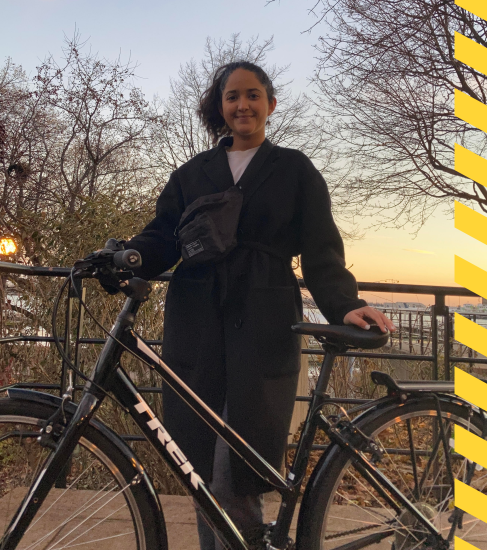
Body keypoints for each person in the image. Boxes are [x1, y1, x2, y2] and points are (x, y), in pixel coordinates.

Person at [123, 61, 394, 549]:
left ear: (270, 103)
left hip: (264, 317)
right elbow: (164, 236)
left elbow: (321, 248)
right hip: (196, 316)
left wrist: (344, 304)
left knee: (240, 463)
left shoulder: (294, 168)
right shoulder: (191, 173)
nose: (242, 105)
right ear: (220, 106)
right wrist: (130, 256)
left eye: (252, 95)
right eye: (232, 97)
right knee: (198, 465)